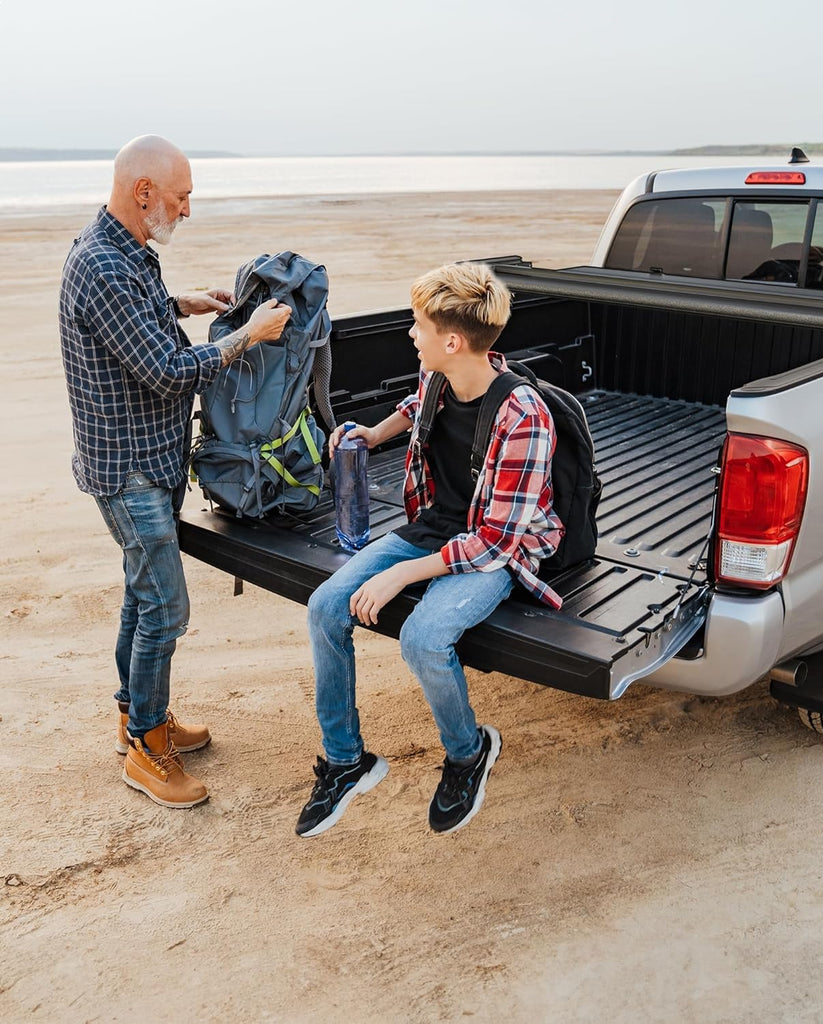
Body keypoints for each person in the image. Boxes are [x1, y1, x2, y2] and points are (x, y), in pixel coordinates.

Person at [58, 135, 293, 809]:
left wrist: (182, 304)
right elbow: (165, 371)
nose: (187, 210)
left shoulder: (126, 251)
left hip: (145, 460)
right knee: (167, 606)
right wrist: (246, 336)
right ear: (143, 193)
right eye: (181, 196)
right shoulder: (103, 266)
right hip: (127, 470)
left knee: (142, 595)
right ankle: (147, 753)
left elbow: (137, 322)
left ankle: (139, 719)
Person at [297, 262, 564, 838]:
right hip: (434, 527)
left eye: (417, 325)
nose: (410, 334)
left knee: (423, 637)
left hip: (495, 549)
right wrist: (372, 433)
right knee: (324, 607)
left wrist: (401, 577)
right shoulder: (442, 377)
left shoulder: (524, 415)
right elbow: (417, 407)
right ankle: (346, 762)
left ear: (452, 339)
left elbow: (494, 540)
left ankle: (468, 752)